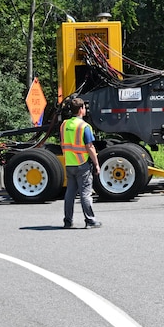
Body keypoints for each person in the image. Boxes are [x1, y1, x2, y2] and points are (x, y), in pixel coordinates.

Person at [60, 97, 101, 229]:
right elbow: (90, 147)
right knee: (85, 193)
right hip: (82, 163)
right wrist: (96, 164)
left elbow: (62, 144)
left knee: (70, 194)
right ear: (81, 110)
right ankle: (90, 220)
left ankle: (68, 220)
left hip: (69, 163)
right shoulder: (84, 126)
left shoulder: (64, 125)